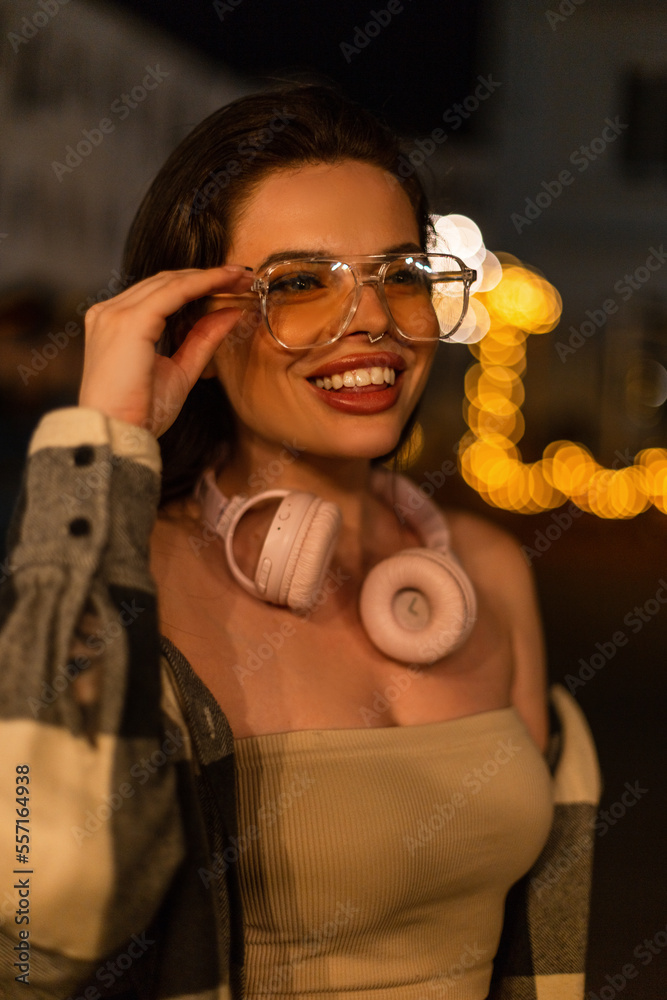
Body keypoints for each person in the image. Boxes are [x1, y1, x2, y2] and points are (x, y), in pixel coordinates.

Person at [0, 85, 600, 1000]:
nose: (371, 322)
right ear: (191, 317)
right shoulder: (125, 573)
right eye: (298, 284)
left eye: (399, 273)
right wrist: (105, 441)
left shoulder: (483, 571)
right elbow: (37, 923)